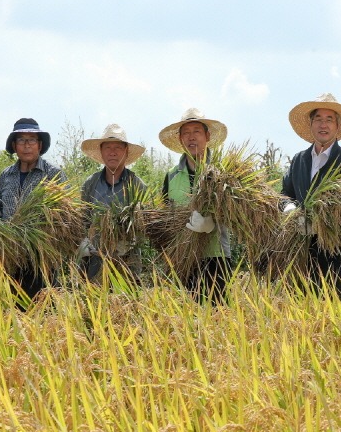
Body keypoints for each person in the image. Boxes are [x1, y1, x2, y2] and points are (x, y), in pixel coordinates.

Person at [282, 92, 341, 296]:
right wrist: (289, 209)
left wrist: (322, 223)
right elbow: (285, 194)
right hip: (297, 256)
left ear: (337, 126)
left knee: (329, 309)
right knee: (296, 309)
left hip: (332, 260)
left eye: (329, 119)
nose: (323, 125)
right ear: (311, 124)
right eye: (318, 119)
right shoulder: (299, 161)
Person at [0, 118, 66, 304]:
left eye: (31, 140)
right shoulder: (6, 175)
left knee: (42, 308)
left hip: (41, 256)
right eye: (21, 140)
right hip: (10, 254)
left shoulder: (52, 174)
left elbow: (66, 214)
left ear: (40, 145)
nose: (27, 145)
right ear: (14, 146)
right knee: (11, 307)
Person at [158, 108, 230, 304]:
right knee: (185, 314)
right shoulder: (171, 176)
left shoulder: (223, 171)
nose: (192, 137)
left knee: (218, 313)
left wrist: (213, 223)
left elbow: (239, 213)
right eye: (186, 133)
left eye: (196, 131)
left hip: (216, 256)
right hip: (183, 258)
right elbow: (165, 215)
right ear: (180, 139)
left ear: (207, 136)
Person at [78, 123, 148, 280]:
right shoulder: (90, 184)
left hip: (127, 263)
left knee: (126, 296)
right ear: (101, 152)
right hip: (94, 262)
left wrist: (131, 242)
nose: (112, 152)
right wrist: (83, 242)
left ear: (126, 151)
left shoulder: (137, 185)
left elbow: (146, 224)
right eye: (108, 148)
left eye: (118, 148)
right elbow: (82, 220)